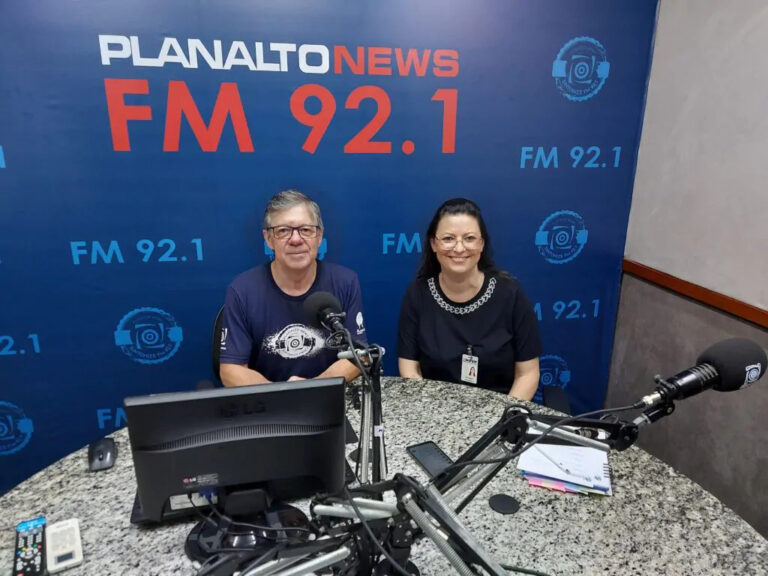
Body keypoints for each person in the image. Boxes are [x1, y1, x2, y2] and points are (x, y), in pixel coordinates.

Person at [398, 198, 541, 400]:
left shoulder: (510, 294)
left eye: (469, 238)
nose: (459, 248)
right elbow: (409, 369)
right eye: (448, 238)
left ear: (482, 244)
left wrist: (505, 415)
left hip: (502, 410)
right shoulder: (417, 294)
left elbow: (528, 374)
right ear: (433, 244)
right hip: (435, 409)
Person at [219, 189, 365, 386]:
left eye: (306, 230)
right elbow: (231, 370)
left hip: (328, 396)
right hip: (268, 401)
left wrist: (312, 388)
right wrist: (283, 395)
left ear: (319, 236)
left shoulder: (345, 282)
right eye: (283, 231)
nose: (296, 239)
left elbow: (358, 355)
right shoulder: (242, 291)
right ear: (268, 239)